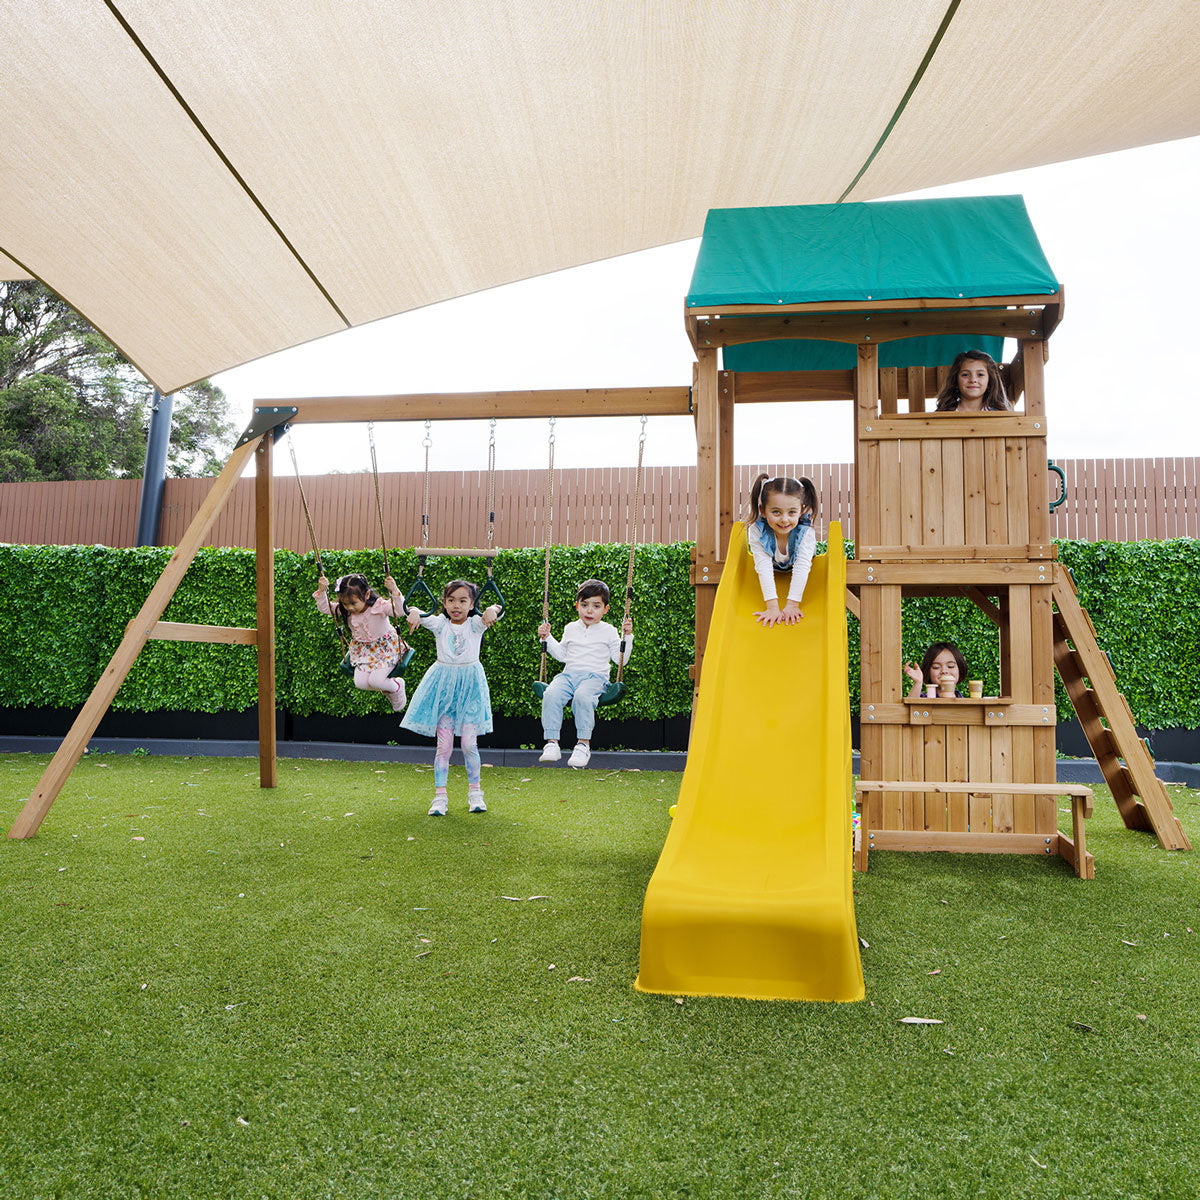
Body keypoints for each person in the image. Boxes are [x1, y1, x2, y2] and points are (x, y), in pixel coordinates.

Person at [402, 579, 502, 816]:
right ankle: (440, 797)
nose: (456, 605)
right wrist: (414, 613)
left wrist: (492, 609)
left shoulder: (476, 624)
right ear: (444, 603)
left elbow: (498, 608)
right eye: (451, 600)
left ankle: (475, 793)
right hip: (445, 690)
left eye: (463, 600)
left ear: (472, 604)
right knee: (444, 746)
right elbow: (416, 611)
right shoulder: (439, 624)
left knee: (469, 743)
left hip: (470, 690)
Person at [536, 579, 633, 769]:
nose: (590, 611)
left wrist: (627, 637)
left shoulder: (610, 631)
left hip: (595, 678)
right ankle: (552, 743)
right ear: (577, 606)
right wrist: (546, 639)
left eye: (596, 606)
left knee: (582, 696)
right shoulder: (571, 628)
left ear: (606, 609)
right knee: (551, 694)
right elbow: (562, 654)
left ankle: (583, 745)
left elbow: (620, 659)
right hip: (568, 675)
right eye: (585, 605)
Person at [314, 573, 408, 712]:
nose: (349, 608)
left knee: (376, 681)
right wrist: (322, 591)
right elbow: (325, 608)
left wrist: (394, 590)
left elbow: (400, 611)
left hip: (386, 650)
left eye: (353, 603)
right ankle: (386, 687)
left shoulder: (379, 607)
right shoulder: (345, 611)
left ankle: (397, 686)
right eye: (345, 604)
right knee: (361, 683)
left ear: (367, 594)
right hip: (364, 652)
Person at [746, 473, 819, 627]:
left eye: (792, 512)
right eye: (776, 512)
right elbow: (763, 566)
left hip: (800, 567)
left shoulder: (806, 533)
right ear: (763, 510)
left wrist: (792, 604)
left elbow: (802, 566)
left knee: (803, 561)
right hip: (774, 567)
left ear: (802, 511)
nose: (784, 519)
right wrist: (772, 607)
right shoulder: (758, 531)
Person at [934, 349, 1012, 412]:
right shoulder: (943, 415)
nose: (973, 380)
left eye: (980, 375)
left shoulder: (1000, 416)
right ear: (956, 381)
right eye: (965, 375)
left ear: (990, 381)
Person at [904, 642, 969, 699]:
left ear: (960, 668)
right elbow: (910, 709)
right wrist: (918, 683)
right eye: (936, 667)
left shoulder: (968, 704)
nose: (944, 671)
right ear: (928, 671)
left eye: (950, 666)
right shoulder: (922, 699)